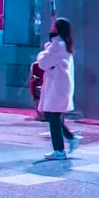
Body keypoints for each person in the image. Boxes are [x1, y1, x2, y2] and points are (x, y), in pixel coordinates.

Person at [36, 18, 80, 160]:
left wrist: (46, 48)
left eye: (54, 26)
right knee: (52, 116)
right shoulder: (63, 44)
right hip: (59, 85)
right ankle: (70, 139)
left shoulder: (58, 45)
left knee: (52, 116)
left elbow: (43, 62)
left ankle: (60, 150)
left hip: (56, 86)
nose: (51, 28)